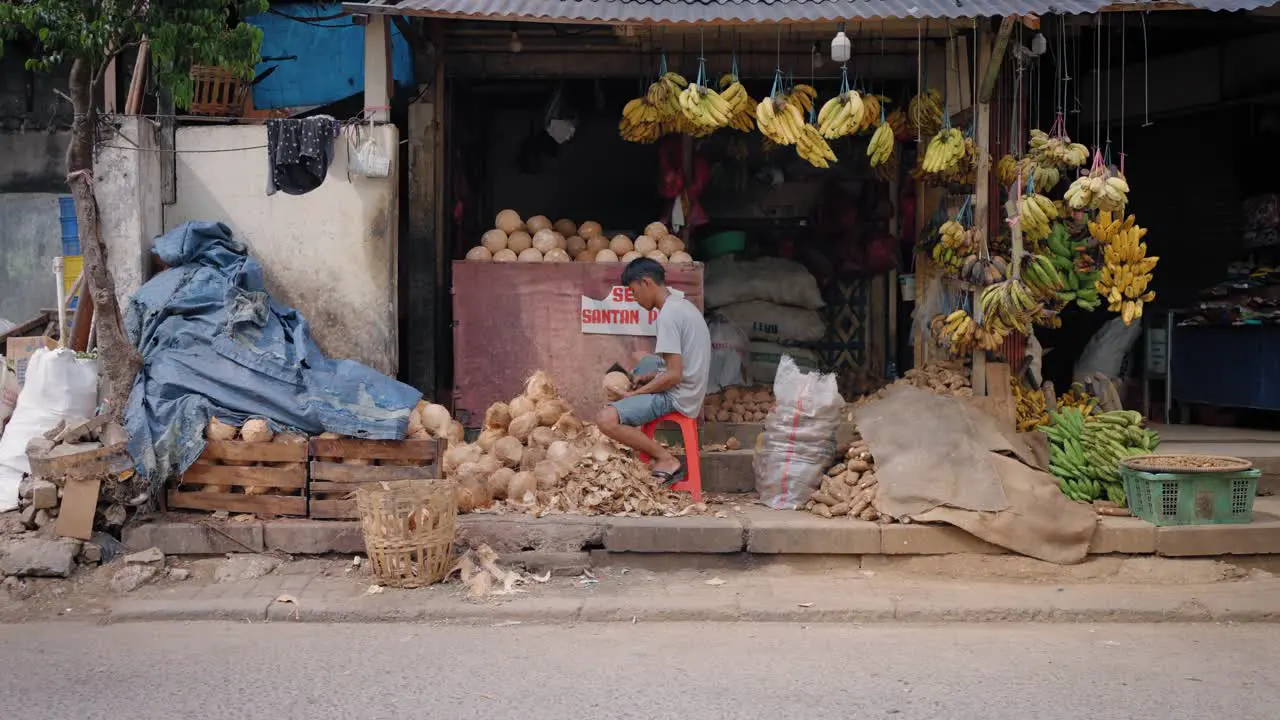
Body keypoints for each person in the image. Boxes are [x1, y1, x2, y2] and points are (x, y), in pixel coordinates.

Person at [596, 257, 710, 485]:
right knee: (647, 365)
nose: (634, 299)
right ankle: (634, 409)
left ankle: (665, 459)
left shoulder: (668, 315)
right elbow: (677, 365)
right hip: (692, 388)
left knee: (605, 419)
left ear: (646, 282)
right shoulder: (682, 305)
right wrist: (652, 376)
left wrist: (635, 395)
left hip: (679, 397)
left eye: (633, 291)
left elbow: (674, 376)